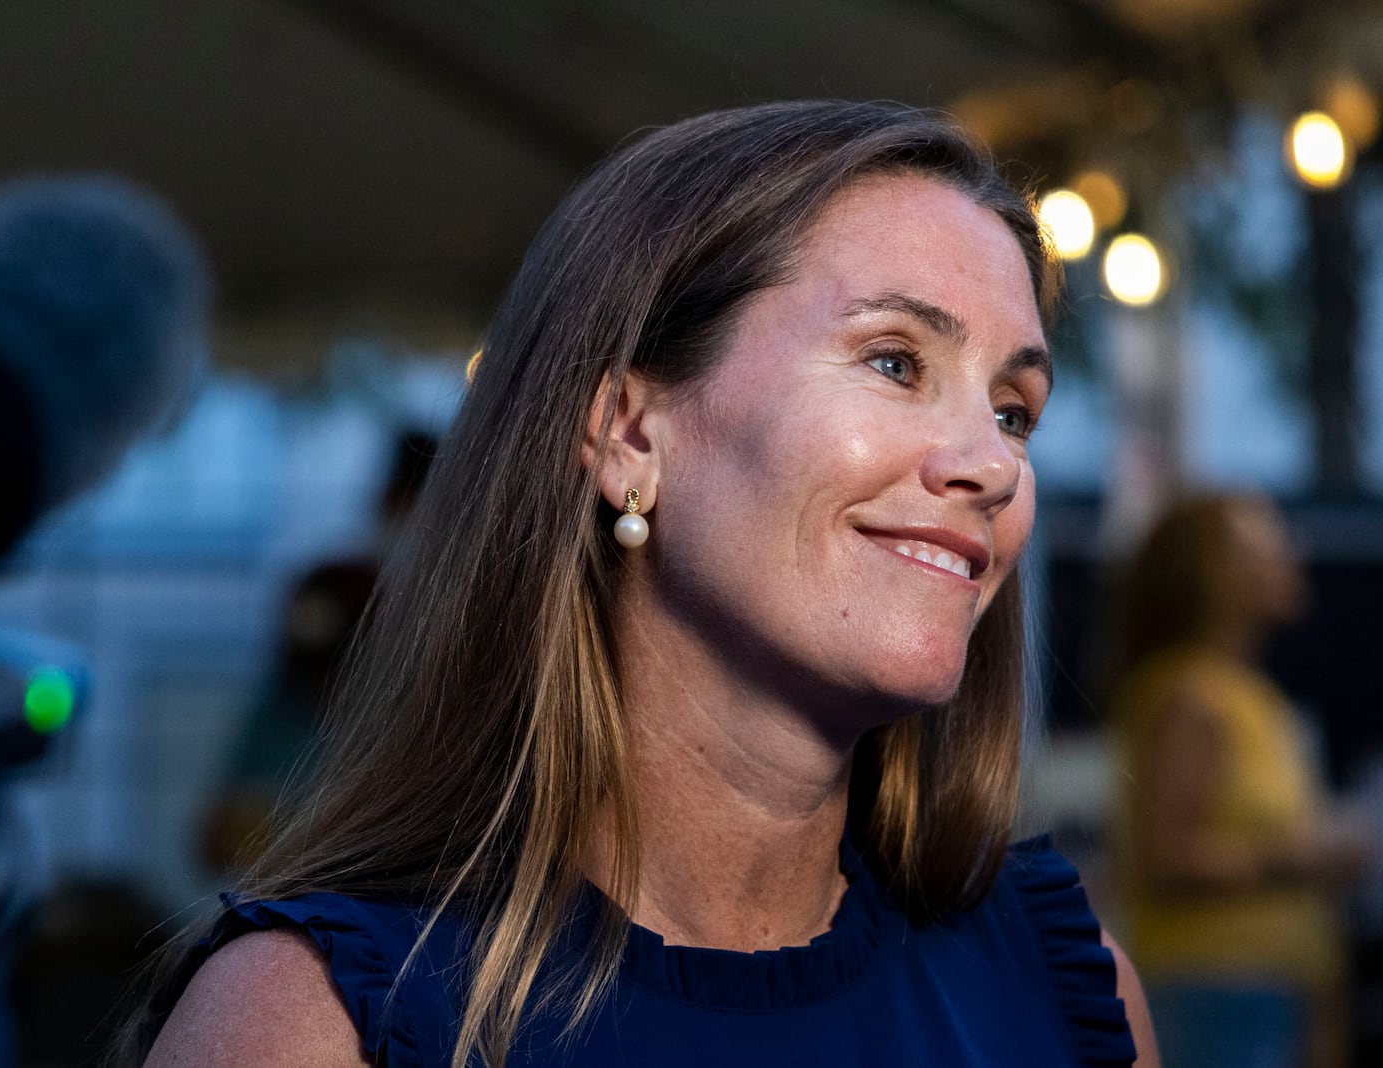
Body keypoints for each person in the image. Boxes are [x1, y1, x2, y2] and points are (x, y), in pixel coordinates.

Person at [122, 100, 1157, 1067]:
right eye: (894, 361)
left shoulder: (1064, 993)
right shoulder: (316, 1019)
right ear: (627, 433)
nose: (990, 463)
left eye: (1014, 409)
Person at [1108, 493, 1371, 1067]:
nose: (1289, 552)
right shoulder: (1192, 696)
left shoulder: (1243, 694)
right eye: (1266, 540)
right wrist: (1309, 856)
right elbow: (1170, 857)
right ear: (1212, 572)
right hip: (1215, 1000)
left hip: (1259, 1003)